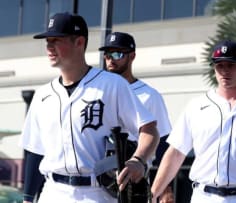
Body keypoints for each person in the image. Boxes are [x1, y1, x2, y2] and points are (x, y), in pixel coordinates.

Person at [19, 12, 159, 203]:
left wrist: (138, 160)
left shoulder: (112, 85)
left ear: (79, 42)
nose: (49, 46)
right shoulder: (43, 95)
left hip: (96, 192)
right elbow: (35, 151)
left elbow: (149, 130)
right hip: (52, 191)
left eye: (56, 40)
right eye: (47, 41)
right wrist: (27, 198)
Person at [151, 40, 236, 203]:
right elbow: (176, 153)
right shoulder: (197, 106)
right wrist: (152, 195)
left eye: (230, 65)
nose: (224, 71)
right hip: (204, 196)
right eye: (219, 65)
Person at [99, 32, 174, 203]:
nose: (111, 59)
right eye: (108, 54)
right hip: (100, 178)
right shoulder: (98, 93)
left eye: (117, 54)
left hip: (134, 179)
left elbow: (162, 143)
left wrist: (165, 188)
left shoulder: (149, 95)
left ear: (132, 56)